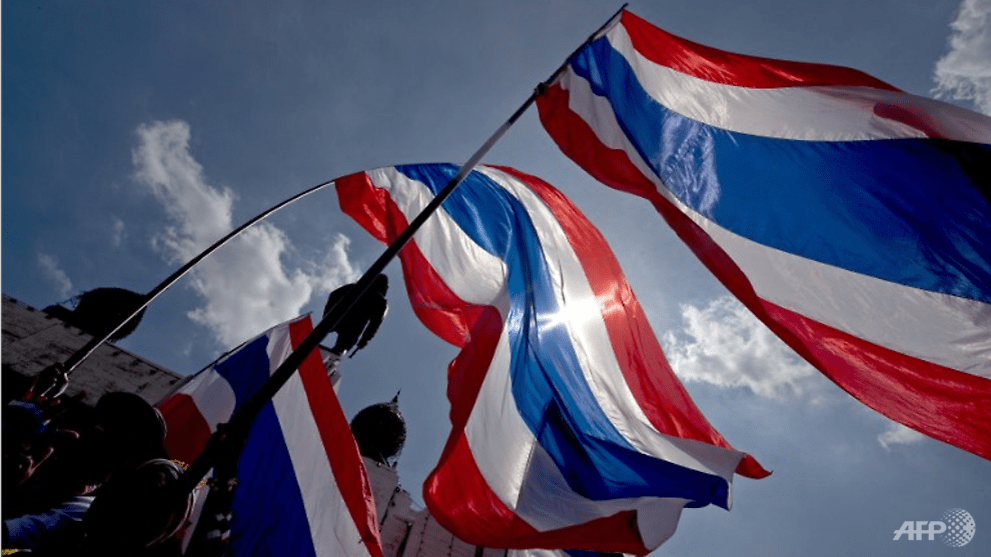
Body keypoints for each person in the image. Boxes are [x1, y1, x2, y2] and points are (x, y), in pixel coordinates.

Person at [323, 274, 389, 358]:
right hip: (349, 324)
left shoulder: (356, 287)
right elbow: (374, 324)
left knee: (342, 345)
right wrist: (365, 339)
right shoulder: (380, 301)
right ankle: (336, 353)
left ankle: (336, 352)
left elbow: (333, 295)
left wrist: (327, 315)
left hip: (341, 320)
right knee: (343, 346)